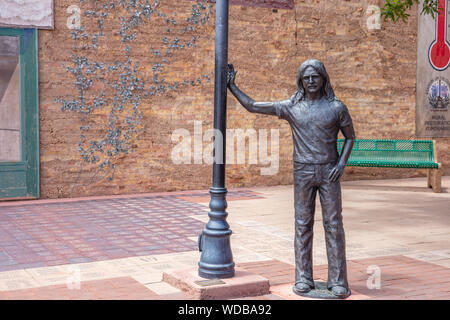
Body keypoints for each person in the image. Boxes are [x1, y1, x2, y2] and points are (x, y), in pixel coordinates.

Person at [227, 59, 355, 298]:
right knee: (302, 225)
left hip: (329, 171)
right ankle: (303, 278)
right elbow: (253, 105)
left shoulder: (337, 107)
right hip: (303, 172)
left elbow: (350, 137)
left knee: (334, 226)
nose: (310, 81)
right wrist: (232, 86)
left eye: (315, 76)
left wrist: (341, 163)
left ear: (323, 78)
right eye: (306, 78)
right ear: (300, 81)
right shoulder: (291, 107)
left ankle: (338, 281)